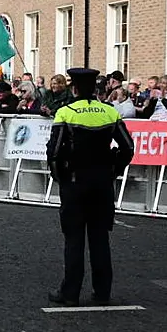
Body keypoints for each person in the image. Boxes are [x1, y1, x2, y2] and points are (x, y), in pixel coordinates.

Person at [46, 68, 134, 307]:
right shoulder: (110, 111)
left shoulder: (65, 112)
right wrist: (114, 170)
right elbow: (127, 148)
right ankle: (102, 291)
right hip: (103, 182)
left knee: (74, 238)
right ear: (95, 89)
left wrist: (59, 177)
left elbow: (53, 152)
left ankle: (70, 292)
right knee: (99, 238)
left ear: (73, 87)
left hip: (75, 182)